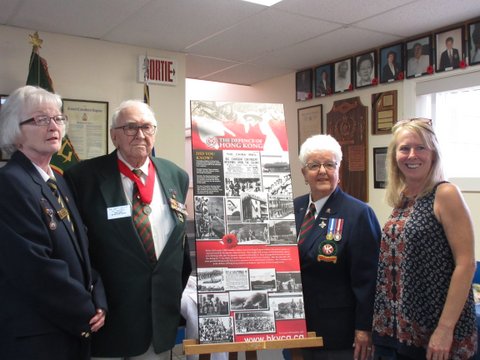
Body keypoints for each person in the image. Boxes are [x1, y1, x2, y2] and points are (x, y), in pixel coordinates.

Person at [64, 99, 191, 360]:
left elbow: (178, 247)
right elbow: (75, 246)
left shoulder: (175, 174)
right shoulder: (83, 177)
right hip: (109, 314)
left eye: (147, 127)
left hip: (159, 316)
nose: (140, 134)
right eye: (130, 127)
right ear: (114, 135)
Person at [0, 85, 107, 360]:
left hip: (70, 330)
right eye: (40, 119)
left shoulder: (58, 179)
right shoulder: (10, 183)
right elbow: (33, 266)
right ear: (16, 130)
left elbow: (81, 248)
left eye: (58, 118)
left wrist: (99, 300)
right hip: (38, 336)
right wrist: (84, 308)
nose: (53, 126)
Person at [372, 118, 477, 359]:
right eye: (404, 148)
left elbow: (466, 264)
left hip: (434, 333)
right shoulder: (403, 196)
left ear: (433, 153)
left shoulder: (445, 193)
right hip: (395, 331)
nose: (412, 155)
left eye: (420, 147)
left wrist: (444, 329)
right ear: (394, 156)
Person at [294, 134, 381, 360]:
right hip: (295, 326)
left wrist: (365, 328)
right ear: (304, 173)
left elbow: (369, 279)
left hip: (338, 334)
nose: (322, 171)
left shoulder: (359, 213)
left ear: (338, 170)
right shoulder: (292, 209)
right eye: (314, 165)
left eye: (329, 164)